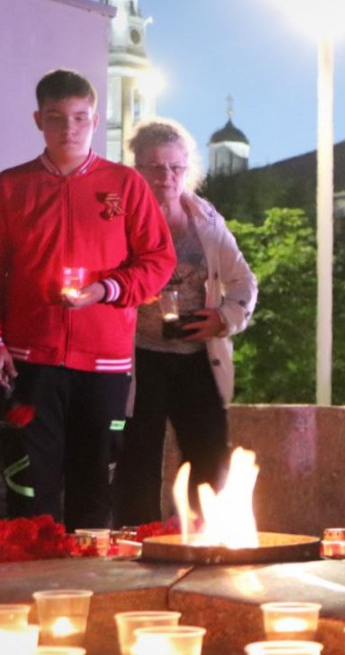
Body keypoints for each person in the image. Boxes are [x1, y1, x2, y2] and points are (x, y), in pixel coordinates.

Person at [0, 70, 175, 528]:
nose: (69, 130)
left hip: (104, 368)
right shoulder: (10, 187)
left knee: (94, 496)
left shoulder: (125, 185)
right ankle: (30, 590)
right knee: (28, 495)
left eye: (80, 118)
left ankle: (90, 593)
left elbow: (158, 260)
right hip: (29, 364)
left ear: (95, 119)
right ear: (37, 120)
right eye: (56, 118)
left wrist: (107, 289)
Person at [112, 119, 257, 527]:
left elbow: (243, 280)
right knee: (138, 456)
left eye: (176, 168)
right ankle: (136, 540)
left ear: (189, 169)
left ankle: (197, 535)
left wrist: (224, 318)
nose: (166, 178)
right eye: (155, 168)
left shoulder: (204, 220)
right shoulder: (120, 221)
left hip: (197, 354)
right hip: (139, 356)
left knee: (209, 450)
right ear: (136, 169)